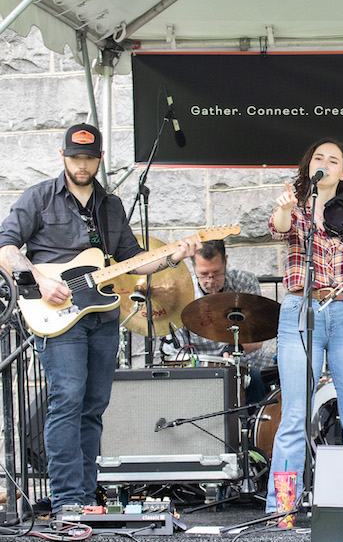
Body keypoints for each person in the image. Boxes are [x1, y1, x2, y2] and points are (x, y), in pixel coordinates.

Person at [0, 123, 199, 514]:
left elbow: (134, 261)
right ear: (63, 156)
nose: (82, 164)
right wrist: (39, 281)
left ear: (100, 159)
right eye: (75, 157)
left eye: (89, 158)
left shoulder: (110, 206)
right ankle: (66, 500)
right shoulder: (39, 198)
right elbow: (6, 246)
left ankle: (87, 496)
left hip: (103, 316)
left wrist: (176, 254)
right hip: (58, 317)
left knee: (93, 405)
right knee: (67, 400)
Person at [264, 138, 343, 512]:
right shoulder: (296, 209)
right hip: (301, 311)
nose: (324, 163)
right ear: (309, 166)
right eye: (318, 158)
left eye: (333, 160)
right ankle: (281, 509)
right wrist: (286, 208)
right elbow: (279, 227)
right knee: (293, 416)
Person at [175, 239, 272, 404]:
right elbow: (179, 351)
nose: (211, 280)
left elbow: (257, 337)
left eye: (217, 273)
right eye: (204, 274)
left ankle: (256, 428)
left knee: (265, 376)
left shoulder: (244, 281)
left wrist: (236, 347)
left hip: (244, 359)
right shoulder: (183, 291)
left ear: (226, 261)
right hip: (202, 364)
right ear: (193, 266)